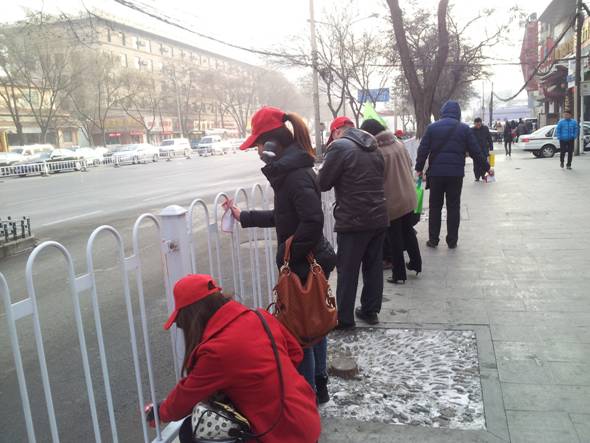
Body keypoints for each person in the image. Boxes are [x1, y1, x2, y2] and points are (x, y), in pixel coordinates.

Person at [224, 106, 336, 404]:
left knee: (301, 334)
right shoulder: (291, 171)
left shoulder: (294, 175)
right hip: (312, 257)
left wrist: (289, 256)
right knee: (314, 325)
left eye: (258, 145)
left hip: (305, 262)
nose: (258, 152)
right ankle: (320, 386)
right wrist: (244, 216)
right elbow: (285, 215)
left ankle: (307, 396)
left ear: (272, 144)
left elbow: (312, 220)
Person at [146, 274, 320, 443]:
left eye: (182, 323)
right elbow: (295, 353)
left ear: (193, 318)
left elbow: (185, 398)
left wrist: (159, 412)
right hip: (305, 415)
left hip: (282, 434)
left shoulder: (217, 351)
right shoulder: (259, 316)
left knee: (191, 431)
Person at [318, 116, 389, 328]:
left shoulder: (339, 146)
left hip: (354, 219)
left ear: (337, 131)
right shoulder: (373, 146)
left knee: (347, 270)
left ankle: (344, 318)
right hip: (379, 216)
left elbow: (322, 183)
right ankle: (370, 311)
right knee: (373, 267)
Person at [415, 100, 492, 249]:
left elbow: (422, 150)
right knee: (453, 207)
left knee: (435, 207)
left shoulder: (432, 128)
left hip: (436, 175)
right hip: (455, 175)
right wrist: (487, 168)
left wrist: (419, 168)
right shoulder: (464, 129)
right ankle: (452, 241)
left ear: (442, 112)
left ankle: (433, 240)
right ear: (458, 113)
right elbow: (476, 151)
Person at [361, 119, 422, 285]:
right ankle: (416, 263)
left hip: (392, 200)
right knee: (408, 231)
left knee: (394, 238)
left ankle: (399, 274)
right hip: (408, 195)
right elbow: (410, 163)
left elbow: (375, 178)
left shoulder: (377, 152)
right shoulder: (398, 144)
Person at [471, 117, 494, 182]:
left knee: (484, 163)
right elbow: (469, 141)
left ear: (481, 123)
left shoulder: (485, 129)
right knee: (476, 164)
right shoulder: (471, 130)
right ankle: (477, 177)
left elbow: (489, 139)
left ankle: (483, 175)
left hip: (484, 150)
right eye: (476, 124)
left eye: (479, 124)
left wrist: (491, 148)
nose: (478, 126)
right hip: (475, 150)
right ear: (474, 124)